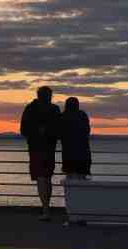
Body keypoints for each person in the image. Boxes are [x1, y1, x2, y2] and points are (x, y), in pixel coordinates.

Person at [20, 86, 61, 221]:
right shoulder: (54, 109)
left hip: (36, 148)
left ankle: (46, 210)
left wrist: (37, 133)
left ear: (38, 95)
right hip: (49, 148)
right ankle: (46, 209)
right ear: (50, 96)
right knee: (47, 178)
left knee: (41, 178)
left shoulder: (30, 109)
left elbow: (23, 130)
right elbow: (58, 130)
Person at [60, 97, 91, 178]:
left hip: (68, 153)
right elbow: (87, 131)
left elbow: (60, 134)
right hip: (83, 153)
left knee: (70, 178)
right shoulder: (82, 115)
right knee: (82, 179)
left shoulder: (63, 116)